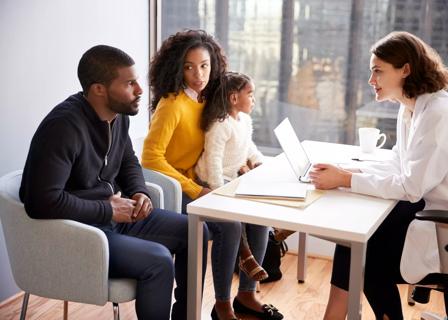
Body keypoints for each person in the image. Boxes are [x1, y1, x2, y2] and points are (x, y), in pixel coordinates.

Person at [19, 45, 208, 320]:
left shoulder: (117, 117)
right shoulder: (62, 128)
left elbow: (128, 161)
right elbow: (40, 202)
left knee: (196, 231)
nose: (140, 90)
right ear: (99, 89)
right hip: (80, 232)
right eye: (130, 83)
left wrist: (139, 191)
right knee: (158, 260)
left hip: (114, 218)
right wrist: (107, 210)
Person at [308, 31, 448, 319]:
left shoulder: (439, 113)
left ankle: (343, 314)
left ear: (405, 70)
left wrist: (345, 179)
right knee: (354, 238)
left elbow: (411, 186)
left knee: (367, 257)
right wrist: (350, 171)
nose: (370, 80)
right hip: (431, 207)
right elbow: (400, 163)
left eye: (378, 71)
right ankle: (340, 314)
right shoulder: (411, 106)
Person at [142, 30, 283, 320]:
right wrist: (194, 189)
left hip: (201, 182)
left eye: (204, 65)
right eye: (189, 66)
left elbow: (225, 137)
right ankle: (222, 305)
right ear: (176, 67)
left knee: (257, 214)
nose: (198, 74)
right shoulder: (171, 105)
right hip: (173, 189)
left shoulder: (207, 101)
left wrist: (246, 162)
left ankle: (247, 294)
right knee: (229, 226)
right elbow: (150, 157)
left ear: (213, 65)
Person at [195, 71, 268, 282]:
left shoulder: (244, 120)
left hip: (233, 177)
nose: (254, 99)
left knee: (259, 202)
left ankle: (276, 229)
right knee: (236, 213)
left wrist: (259, 161)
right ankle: (245, 255)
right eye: (250, 94)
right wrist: (219, 191)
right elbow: (213, 161)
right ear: (234, 98)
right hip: (213, 180)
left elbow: (248, 147)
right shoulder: (220, 125)